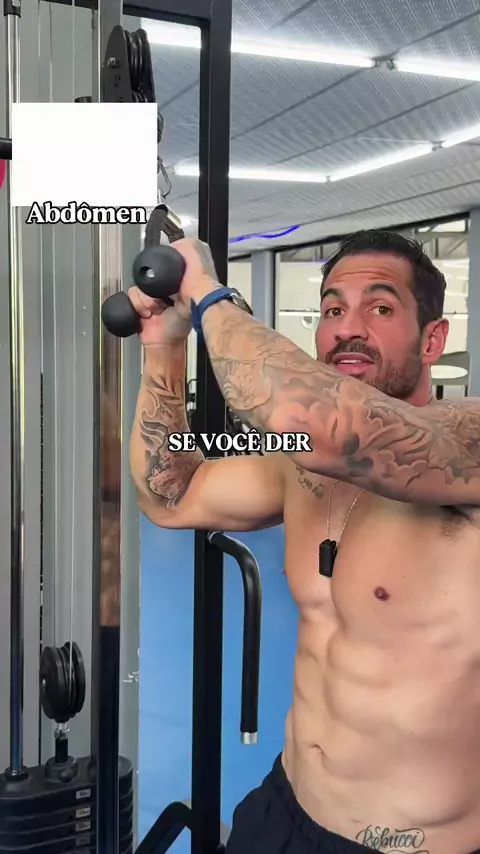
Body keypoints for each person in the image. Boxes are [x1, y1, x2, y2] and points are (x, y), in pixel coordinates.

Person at [128, 229, 480, 854]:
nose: (348, 329)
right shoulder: (300, 467)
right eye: (332, 310)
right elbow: (170, 494)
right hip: (286, 807)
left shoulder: (466, 444)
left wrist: (207, 294)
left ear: (433, 340)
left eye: (380, 307)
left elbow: (312, 420)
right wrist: (165, 343)